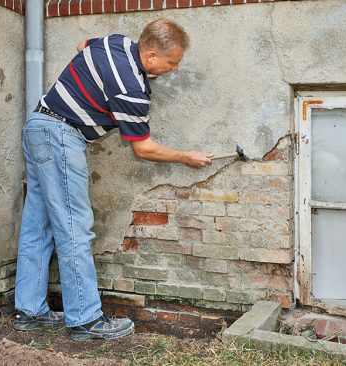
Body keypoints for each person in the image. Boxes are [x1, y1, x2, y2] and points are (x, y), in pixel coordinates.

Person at [13, 19, 213, 341]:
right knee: (75, 226)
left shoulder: (117, 43)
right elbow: (143, 149)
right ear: (149, 56)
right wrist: (185, 156)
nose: (174, 69)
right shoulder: (131, 88)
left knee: (40, 225)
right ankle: (85, 319)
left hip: (38, 125)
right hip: (62, 136)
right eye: (171, 62)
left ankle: (30, 310)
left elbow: (83, 47)